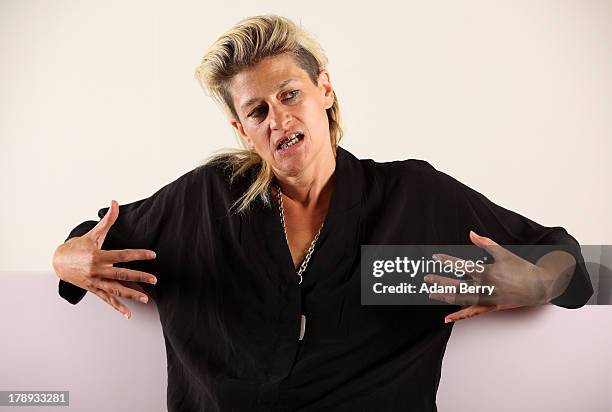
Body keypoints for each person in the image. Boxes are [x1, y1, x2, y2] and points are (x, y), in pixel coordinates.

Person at [52, 14, 593, 412]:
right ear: (242, 130)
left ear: (325, 91)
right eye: (257, 110)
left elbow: (578, 265)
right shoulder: (206, 198)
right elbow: (91, 243)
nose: (278, 118)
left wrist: (537, 282)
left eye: (290, 94)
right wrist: (64, 259)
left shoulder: (414, 195)